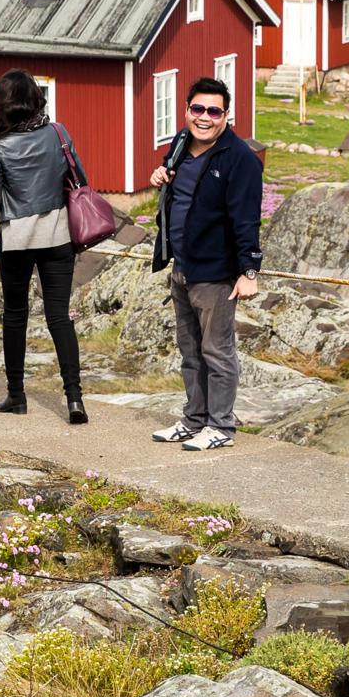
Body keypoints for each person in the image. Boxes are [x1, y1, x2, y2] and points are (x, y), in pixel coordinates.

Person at [146, 75, 262, 450]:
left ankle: (221, 427)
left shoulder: (240, 159)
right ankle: (194, 420)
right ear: (186, 111)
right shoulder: (180, 145)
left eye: (214, 111)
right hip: (182, 266)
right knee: (190, 350)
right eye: (198, 109)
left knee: (217, 350)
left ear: (226, 116)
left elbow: (246, 218)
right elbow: (175, 192)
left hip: (216, 272)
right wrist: (160, 176)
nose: (205, 117)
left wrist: (248, 272)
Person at [0, 69, 87, 424]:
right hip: (57, 235)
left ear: (1, 106)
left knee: (16, 316)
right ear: (36, 99)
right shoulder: (59, 132)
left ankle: (17, 396)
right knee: (59, 316)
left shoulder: (1, 146)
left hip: (18, 240)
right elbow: (79, 177)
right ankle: (74, 400)